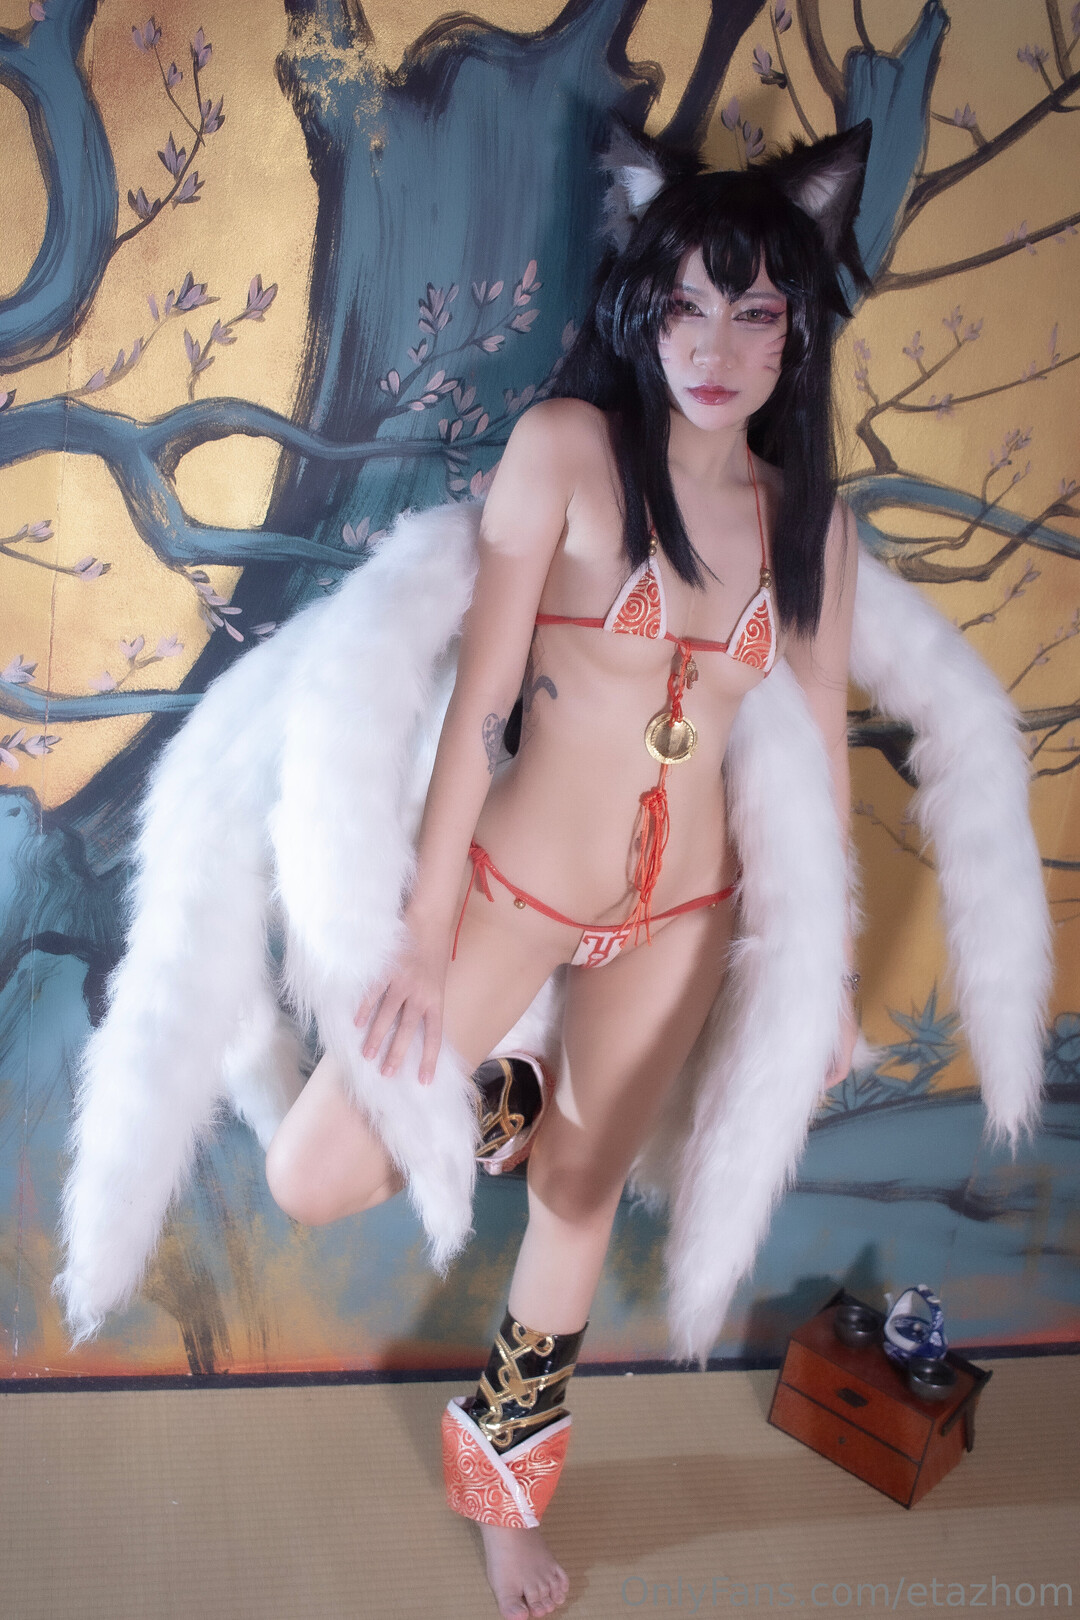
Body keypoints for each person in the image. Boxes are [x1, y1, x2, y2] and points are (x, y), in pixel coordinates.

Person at [261, 123, 871, 1620]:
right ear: (638, 311)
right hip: (512, 894)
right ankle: (500, 1093)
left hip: (680, 922)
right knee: (313, 1175)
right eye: (684, 306)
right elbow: (483, 703)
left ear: (797, 331)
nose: (713, 348)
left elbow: (817, 768)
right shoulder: (569, 452)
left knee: (579, 1204)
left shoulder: (810, 526)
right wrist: (422, 935)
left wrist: (827, 984)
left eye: (754, 311)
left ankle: (504, 1497)